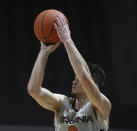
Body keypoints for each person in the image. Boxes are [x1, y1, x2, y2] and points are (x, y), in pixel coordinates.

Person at [27, 13, 111, 131]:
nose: (74, 82)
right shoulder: (62, 104)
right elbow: (33, 90)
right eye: (74, 78)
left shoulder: (101, 105)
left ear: (95, 86)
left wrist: (67, 40)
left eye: (78, 80)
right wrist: (43, 52)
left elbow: (84, 77)